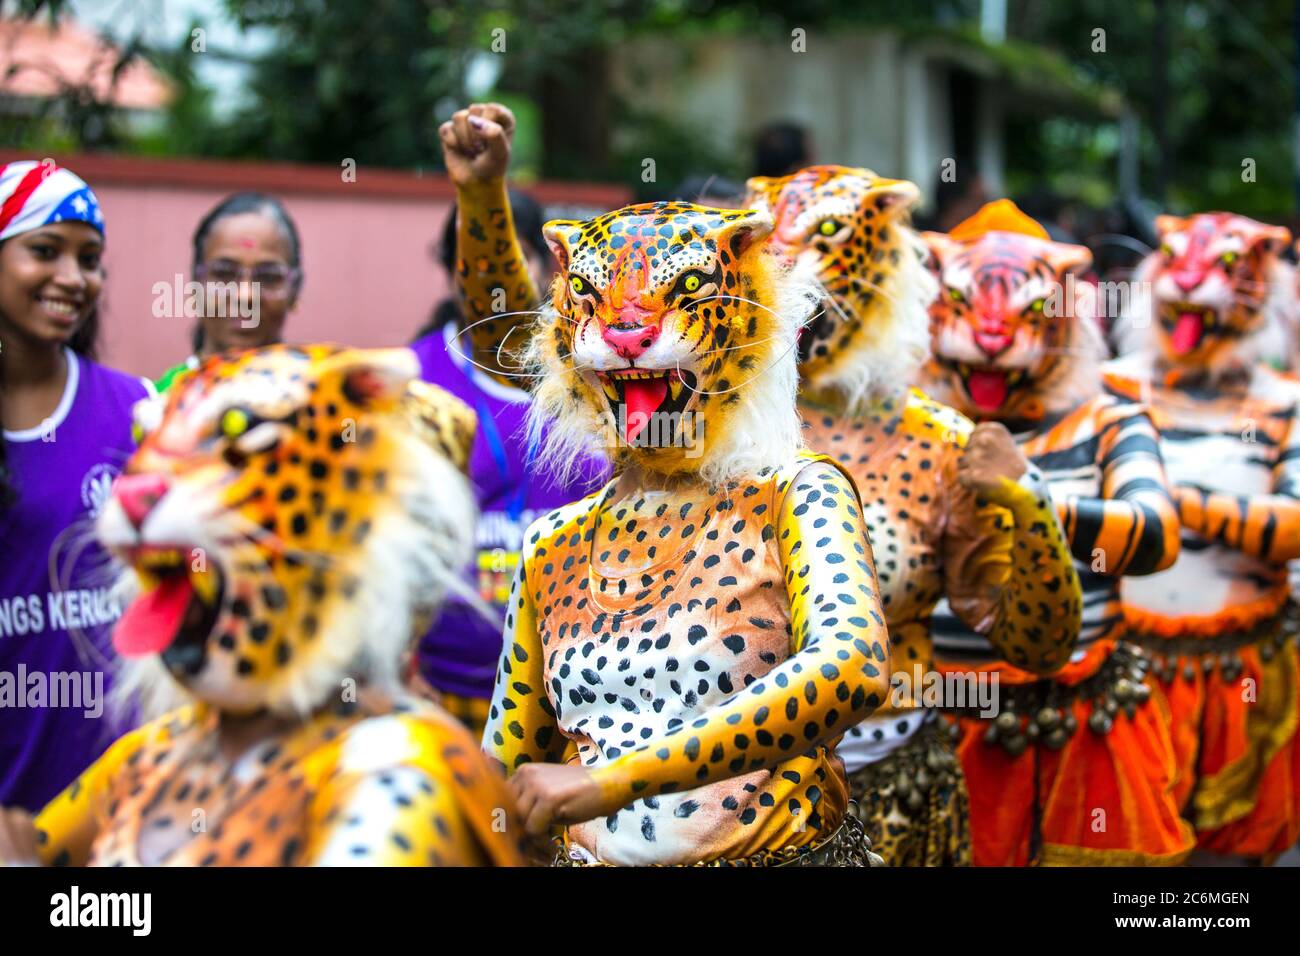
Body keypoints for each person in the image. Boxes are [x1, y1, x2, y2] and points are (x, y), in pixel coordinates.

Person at [0, 345, 530, 866]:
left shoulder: (397, 767)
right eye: (146, 435)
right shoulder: (158, 751)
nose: (142, 482)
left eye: (237, 436)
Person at [484, 201, 892, 866]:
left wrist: (611, 782)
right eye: (590, 295)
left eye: (688, 289)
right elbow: (507, 770)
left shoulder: (797, 493)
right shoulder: (551, 542)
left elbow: (853, 670)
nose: (625, 332)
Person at [745, 165, 1084, 865]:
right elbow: (499, 353)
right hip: (729, 809)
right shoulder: (713, 433)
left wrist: (1032, 506)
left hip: (894, 794)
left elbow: (1038, 647)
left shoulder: (941, 445)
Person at [922, 200, 1193, 866]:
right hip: (934, 719)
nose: (990, 343)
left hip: (1082, 720)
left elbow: (1156, 536)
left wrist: (1030, 498)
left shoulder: (1108, 416)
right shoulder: (904, 424)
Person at [1106, 212, 1300, 862]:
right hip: (1124, 676)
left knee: (1229, 860)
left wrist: (1168, 507)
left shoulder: (1284, 400)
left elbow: (1295, 527)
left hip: (1238, 673)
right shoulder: (1113, 388)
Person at [408, 103, 606, 736]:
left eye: (522, 262)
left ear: (550, 271)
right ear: (453, 266)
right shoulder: (412, 379)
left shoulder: (597, 371)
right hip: (445, 694)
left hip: (579, 699)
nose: (503, 285)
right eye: (491, 261)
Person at [0, 159, 152, 811]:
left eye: (89, 259)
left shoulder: (137, 410)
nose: (71, 278)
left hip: (125, 809)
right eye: (44, 250)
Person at [155, 192, 303, 391]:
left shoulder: (324, 402)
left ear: (295, 291)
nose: (245, 295)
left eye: (268, 277)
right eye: (224, 274)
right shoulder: (157, 405)